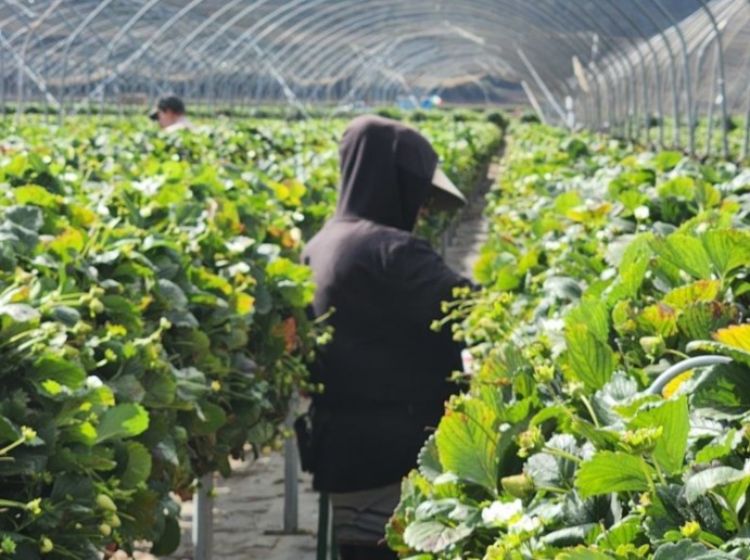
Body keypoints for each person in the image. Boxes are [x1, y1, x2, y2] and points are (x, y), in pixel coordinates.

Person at [301, 115, 469, 560]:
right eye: (418, 193)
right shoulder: (393, 251)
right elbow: (476, 311)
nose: (423, 209)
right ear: (392, 183)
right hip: (395, 460)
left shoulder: (320, 244)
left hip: (344, 453)